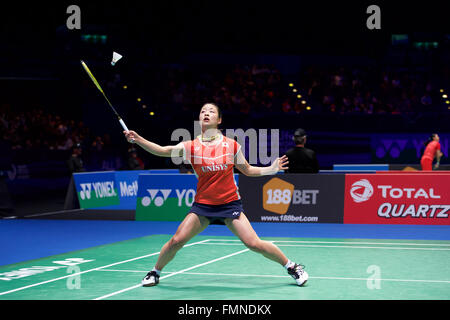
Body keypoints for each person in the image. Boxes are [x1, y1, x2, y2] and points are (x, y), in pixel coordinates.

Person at [123, 103, 308, 287]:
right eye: (203, 111)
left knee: (254, 244)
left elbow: (248, 170)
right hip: (203, 206)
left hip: (229, 204)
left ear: (219, 120)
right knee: (176, 241)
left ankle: (292, 266)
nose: (206, 113)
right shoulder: (191, 146)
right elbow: (163, 150)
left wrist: (271, 169)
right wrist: (139, 139)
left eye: (211, 111)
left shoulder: (231, 145)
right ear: (199, 118)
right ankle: (155, 272)